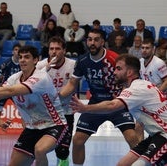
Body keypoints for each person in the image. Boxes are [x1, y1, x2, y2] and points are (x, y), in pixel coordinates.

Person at [0, 45, 68, 166]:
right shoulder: (14, 78)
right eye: (20, 57)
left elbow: (10, 92)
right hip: (31, 128)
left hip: (55, 125)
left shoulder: (41, 78)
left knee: (40, 150)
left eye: (27, 57)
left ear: (35, 60)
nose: (22, 60)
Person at [59, 29, 139, 165]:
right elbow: (72, 84)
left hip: (117, 104)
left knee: (132, 138)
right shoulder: (83, 61)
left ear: (102, 42)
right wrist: (58, 96)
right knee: (77, 140)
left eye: (96, 40)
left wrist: (124, 95)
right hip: (95, 105)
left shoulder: (114, 58)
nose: (92, 43)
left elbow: (129, 79)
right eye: (90, 39)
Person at [70, 54, 167, 166]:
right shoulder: (142, 85)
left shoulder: (136, 89)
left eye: (118, 68)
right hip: (156, 136)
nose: (114, 72)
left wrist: (85, 108)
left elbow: (112, 105)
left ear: (129, 72)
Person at [36, 36, 76, 166]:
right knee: (39, 148)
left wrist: (55, 97)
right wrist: (46, 69)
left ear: (64, 50)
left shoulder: (72, 65)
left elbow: (72, 86)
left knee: (63, 150)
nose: (54, 52)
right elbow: (32, 85)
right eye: (51, 49)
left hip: (66, 111)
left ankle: (63, 160)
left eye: (58, 49)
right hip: (45, 113)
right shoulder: (41, 65)